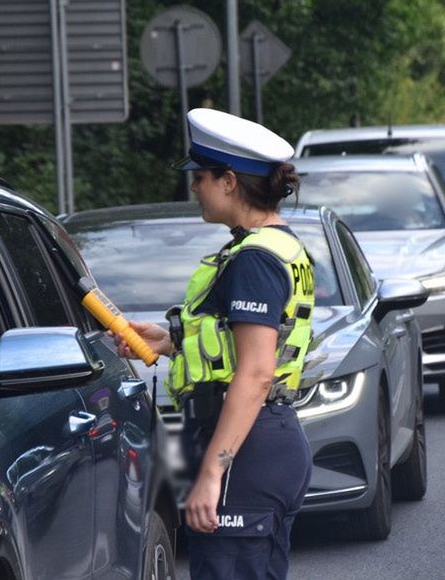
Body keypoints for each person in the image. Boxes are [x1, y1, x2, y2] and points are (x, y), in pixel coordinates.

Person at [116, 108, 314, 580]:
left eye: (200, 176)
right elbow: (243, 347)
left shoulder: (255, 259)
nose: (193, 186)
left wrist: (212, 472)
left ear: (229, 181)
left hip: (245, 450)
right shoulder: (277, 245)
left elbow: (257, 373)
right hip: (266, 441)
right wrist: (169, 342)